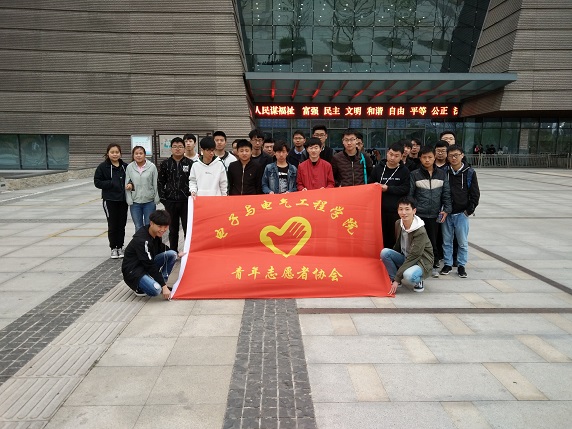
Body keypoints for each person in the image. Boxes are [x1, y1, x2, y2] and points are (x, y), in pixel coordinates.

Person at [122, 210, 185, 299]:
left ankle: (160, 282)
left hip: (145, 266)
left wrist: (178, 254)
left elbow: (161, 247)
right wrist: (164, 287)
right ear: (151, 223)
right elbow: (149, 265)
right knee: (156, 290)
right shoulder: (142, 241)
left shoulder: (155, 233)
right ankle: (139, 287)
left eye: (165, 226)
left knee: (172, 254)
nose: (163, 230)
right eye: (159, 226)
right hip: (134, 272)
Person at [409, 146, 452, 278]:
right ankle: (417, 264)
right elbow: (410, 195)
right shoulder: (414, 174)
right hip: (419, 214)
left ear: (434, 158)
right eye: (424, 157)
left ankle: (432, 265)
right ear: (420, 158)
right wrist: (411, 211)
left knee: (433, 241)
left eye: (430, 157)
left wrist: (447, 209)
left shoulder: (442, 174)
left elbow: (446, 193)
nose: (427, 160)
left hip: (434, 214)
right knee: (418, 241)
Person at [440, 145, 480, 278]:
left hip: (462, 214)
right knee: (446, 241)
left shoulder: (469, 172)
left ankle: (461, 265)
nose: (453, 158)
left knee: (462, 242)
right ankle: (447, 264)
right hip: (446, 213)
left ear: (462, 155)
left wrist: (468, 211)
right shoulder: (444, 172)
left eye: (456, 155)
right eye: (451, 156)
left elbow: (475, 194)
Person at [380, 196, 433, 293]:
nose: (404, 212)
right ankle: (394, 280)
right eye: (401, 209)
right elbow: (397, 245)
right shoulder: (398, 223)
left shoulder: (420, 230)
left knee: (408, 276)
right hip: (406, 257)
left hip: (420, 261)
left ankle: (419, 280)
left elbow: (415, 256)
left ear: (414, 211)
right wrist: (389, 260)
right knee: (385, 253)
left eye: (407, 209)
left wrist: (398, 278)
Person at [370, 142, 410, 249]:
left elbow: (405, 189)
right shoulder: (378, 168)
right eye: (391, 154)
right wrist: (374, 186)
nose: (392, 158)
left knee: (394, 238)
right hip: (379, 210)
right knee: (379, 236)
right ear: (387, 153)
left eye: (396, 156)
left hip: (396, 211)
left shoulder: (404, 171)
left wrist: (388, 188)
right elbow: (369, 185)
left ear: (401, 156)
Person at [158, 137, 193, 252]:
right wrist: (164, 199)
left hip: (186, 201)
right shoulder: (165, 164)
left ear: (184, 148)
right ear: (171, 148)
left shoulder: (190, 163)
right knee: (173, 229)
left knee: (188, 228)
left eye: (180, 147)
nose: (177, 149)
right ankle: (173, 251)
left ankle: (187, 251)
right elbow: (160, 182)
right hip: (170, 201)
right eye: (175, 147)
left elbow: (193, 181)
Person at [94, 144, 129, 259]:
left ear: (120, 153)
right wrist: (111, 183)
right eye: (112, 152)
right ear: (108, 153)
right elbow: (97, 182)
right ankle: (113, 248)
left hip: (123, 200)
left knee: (122, 224)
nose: (115, 154)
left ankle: (120, 247)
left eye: (117, 152)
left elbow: (130, 179)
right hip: (109, 200)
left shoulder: (125, 166)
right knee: (113, 224)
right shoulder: (103, 167)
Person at [125, 146, 160, 232]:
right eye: (136, 153)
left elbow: (155, 183)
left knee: (149, 225)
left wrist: (156, 197)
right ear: (133, 155)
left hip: (149, 201)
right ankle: (140, 241)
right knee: (138, 226)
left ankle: (149, 241)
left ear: (145, 155)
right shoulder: (130, 167)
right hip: (135, 202)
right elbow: (127, 183)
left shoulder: (152, 167)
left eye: (141, 153)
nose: (138, 155)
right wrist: (129, 199)